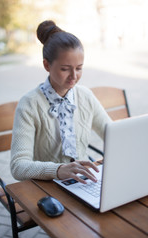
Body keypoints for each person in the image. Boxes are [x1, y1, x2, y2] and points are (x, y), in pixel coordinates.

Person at [10, 20, 112, 184]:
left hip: (84, 180)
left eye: (79, 68)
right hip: (46, 184)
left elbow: (111, 133)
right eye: (65, 69)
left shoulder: (85, 96)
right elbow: (18, 166)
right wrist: (57, 170)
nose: (73, 76)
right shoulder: (29, 104)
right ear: (46, 65)